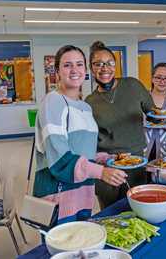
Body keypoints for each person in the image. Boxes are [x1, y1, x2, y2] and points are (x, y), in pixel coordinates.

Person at [33, 45, 127, 224]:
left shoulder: (85, 107)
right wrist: (101, 172)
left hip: (84, 192)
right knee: (61, 251)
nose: (75, 70)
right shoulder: (53, 101)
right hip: (59, 196)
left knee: (81, 248)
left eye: (79, 64)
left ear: (86, 69)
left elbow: (83, 150)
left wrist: (110, 159)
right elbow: (60, 158)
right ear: (57, 71)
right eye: (67, 65)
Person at [85, 41, 156, 210]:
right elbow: (89, 141)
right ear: (91, 67)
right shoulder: (89, 102)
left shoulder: (133, 85)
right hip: (107, 166)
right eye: (98, 64)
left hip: (137, 163)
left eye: (110, 63)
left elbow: (154, 114)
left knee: (138, 211)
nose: (105, 69)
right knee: (110, 215)